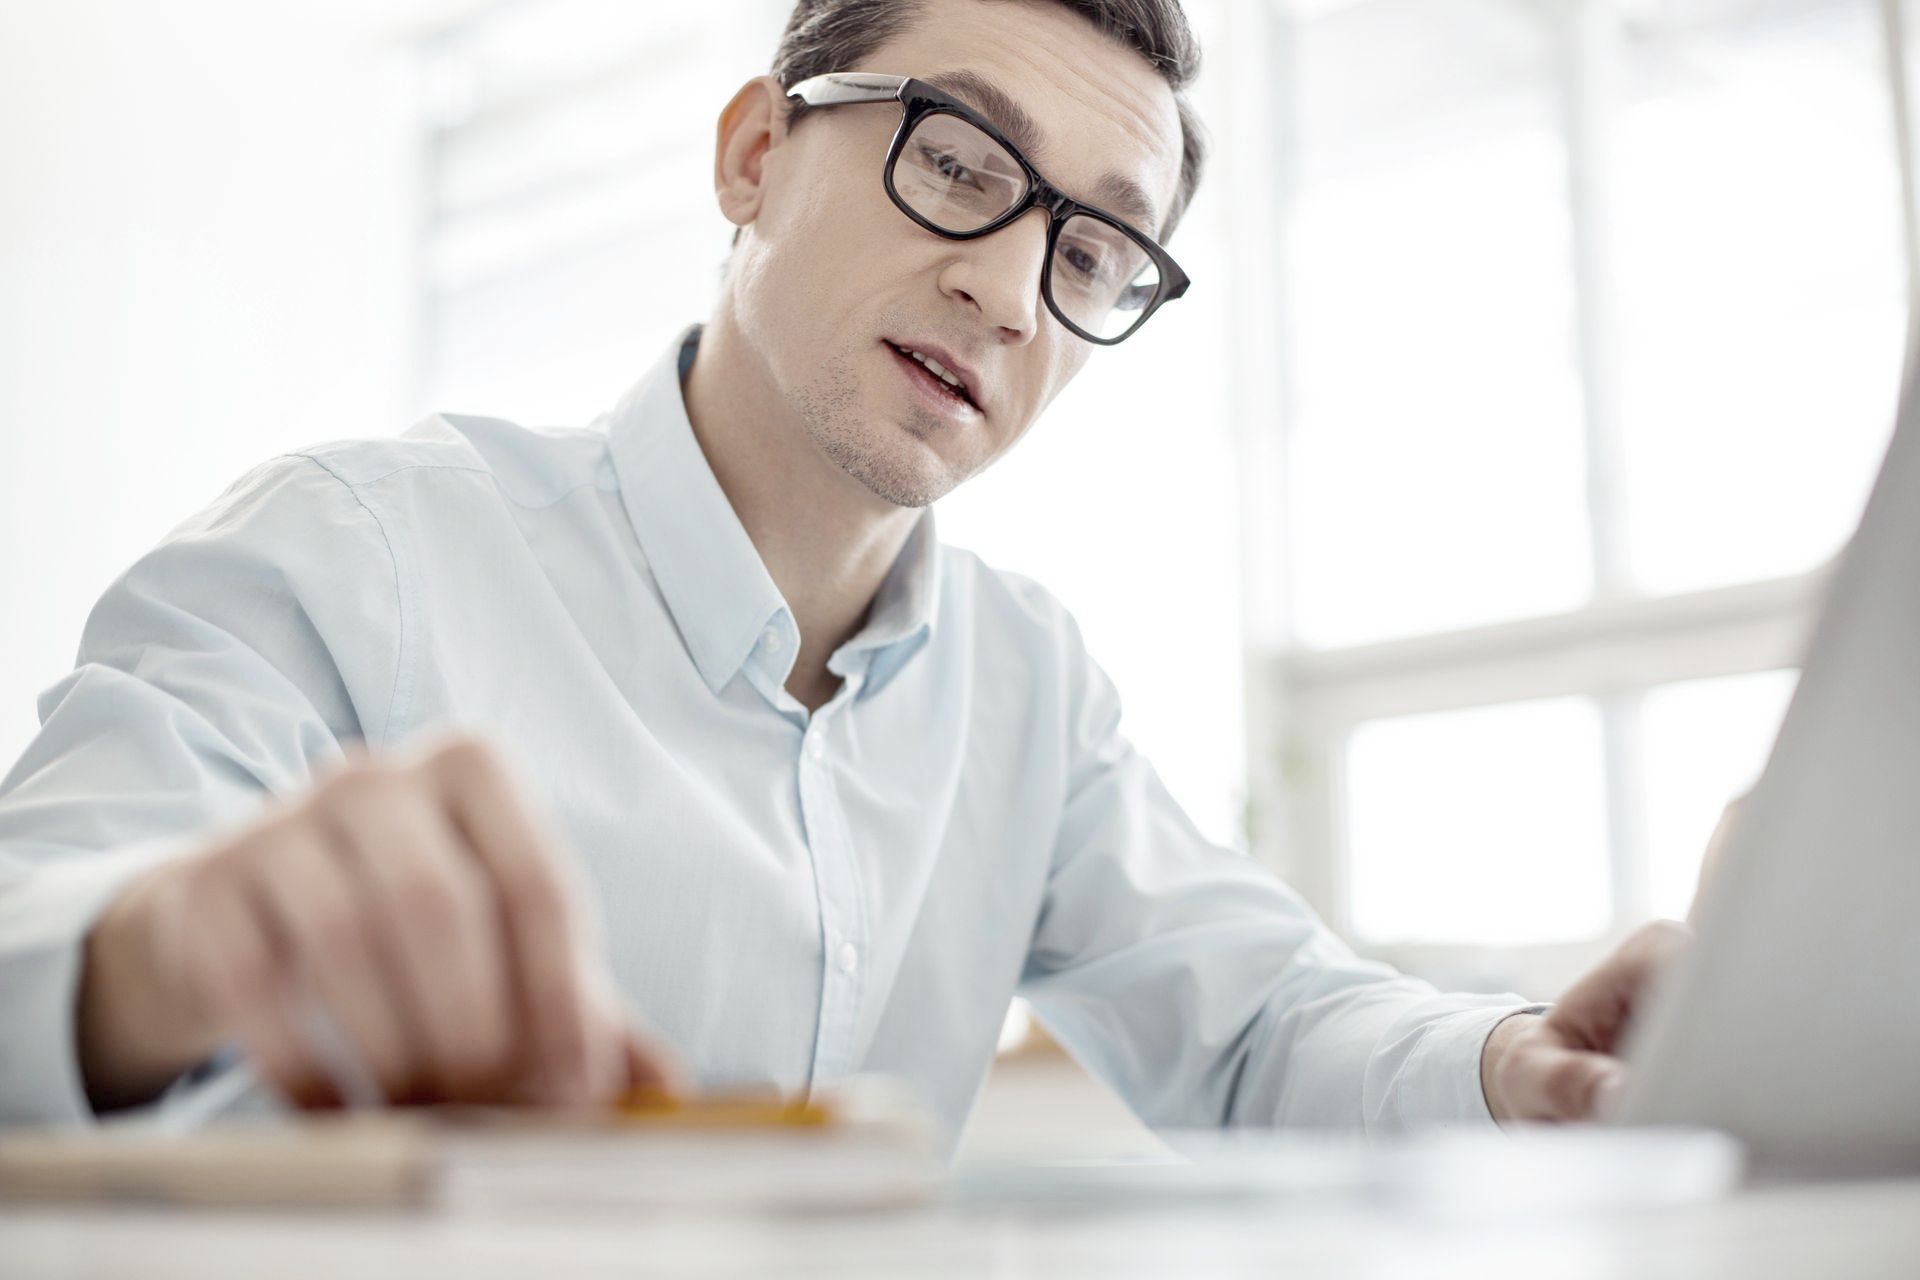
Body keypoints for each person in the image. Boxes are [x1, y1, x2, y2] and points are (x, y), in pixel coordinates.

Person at [0, 0, 1688, 1148]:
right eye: (959, 163)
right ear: (751, 155)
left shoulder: (1028, 692)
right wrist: (166, 949)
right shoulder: (352, 553)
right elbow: (33, 938)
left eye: (1092, 248)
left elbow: (1255, 1023)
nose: (1013, 295)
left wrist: (1512, 1064)